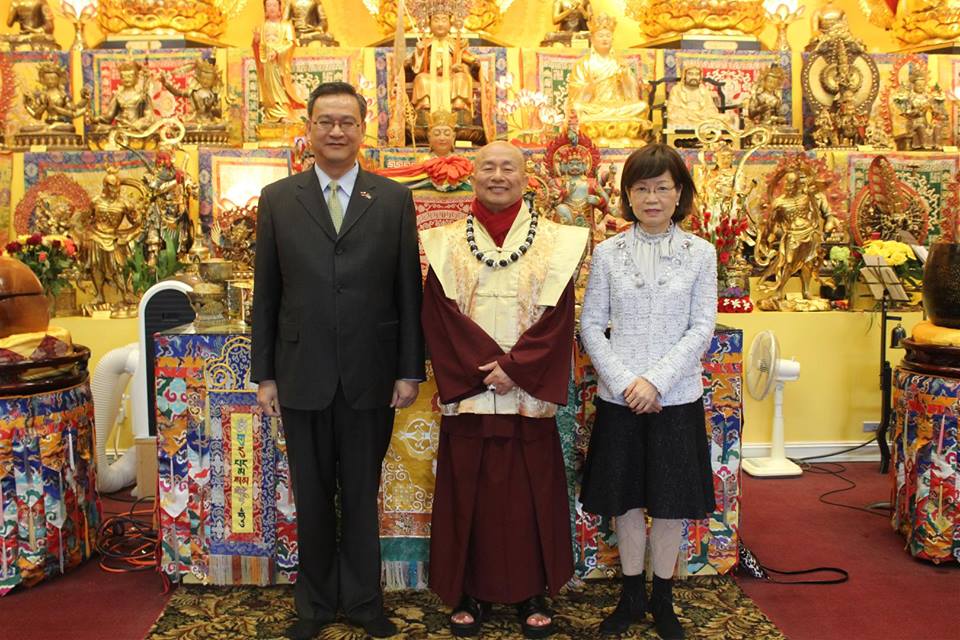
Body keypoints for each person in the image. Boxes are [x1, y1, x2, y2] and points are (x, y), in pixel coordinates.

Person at [251, 81, 425, 640]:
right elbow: (266, 293)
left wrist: (409, 369)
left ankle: (365, 601)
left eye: (347, 121)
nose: (335, 131)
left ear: (362, 130)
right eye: (325, 121)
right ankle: (315, 604)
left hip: (371, 374)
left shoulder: (392, 199)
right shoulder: (278, 199)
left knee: (361, 493)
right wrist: (265, 374)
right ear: (307, 128)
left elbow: (408, 290)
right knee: (313, 493)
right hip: (301, 372)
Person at [420, 141, 588, 638]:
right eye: (488, 167)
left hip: (526, 393)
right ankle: (467, 591)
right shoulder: (444, 242)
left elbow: (559, 318)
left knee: (529, 495)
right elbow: (439, 317)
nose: (498, 175)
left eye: (508, 167)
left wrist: (515, 369)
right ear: (472, 176)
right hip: (470, 393)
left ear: (526, 177)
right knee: (467, 493)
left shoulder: (556, 241)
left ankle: (532, 590)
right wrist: (485, 370)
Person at [579, 143, 718, 640]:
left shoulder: (701, 253)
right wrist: (626, 382)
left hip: (675, 398)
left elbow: (701, 326)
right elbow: (591, 325)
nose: (652, 198)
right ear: (627, 195)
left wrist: (656, 381)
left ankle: (664, 598)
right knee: (627, 501)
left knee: (670, 501)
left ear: (680, 193)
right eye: (641, 188)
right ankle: (631, 595)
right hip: (620, 400)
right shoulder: (607, 253)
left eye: (662, 188)